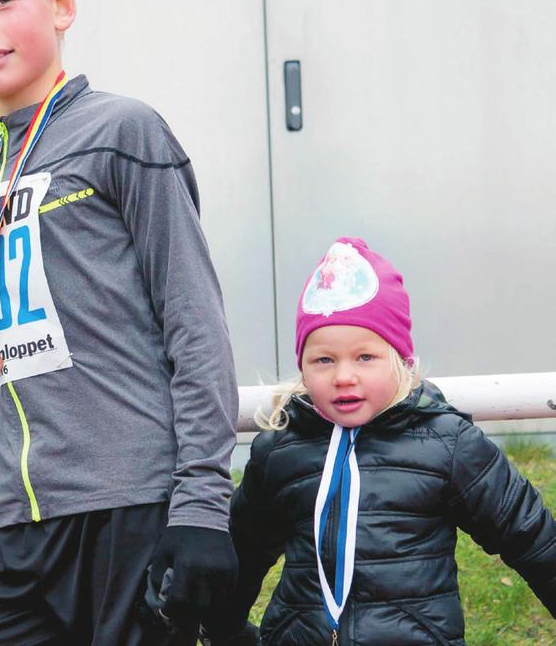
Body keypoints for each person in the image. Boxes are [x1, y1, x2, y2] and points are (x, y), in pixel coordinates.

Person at [0, 0, 240, 644]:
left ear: (60, 4)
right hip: (23, 518)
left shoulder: (125, 130)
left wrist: (203, 508)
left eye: (2, 3)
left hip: (131, 506)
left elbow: (193, 321)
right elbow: (51, 318)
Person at [202, 237, 556, 645]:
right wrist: (223, 630)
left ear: (400, 360)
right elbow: (239, 558)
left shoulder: (447, 443)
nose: (344, 376)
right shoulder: (279, 451)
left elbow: (535, 539)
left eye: (365, 357)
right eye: (324, 360)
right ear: (302, 365)